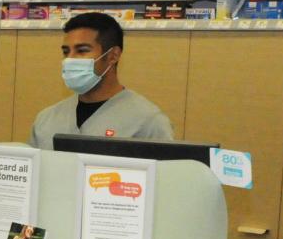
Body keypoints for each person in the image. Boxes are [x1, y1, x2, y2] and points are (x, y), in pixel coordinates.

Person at [27, 12, 174, 149]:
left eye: (82, 50)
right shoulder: (46, 119)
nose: (70, 59)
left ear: (113, 56)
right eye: (66, 52)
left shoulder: (147, 122)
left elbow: (165, 174)